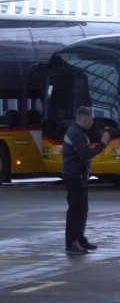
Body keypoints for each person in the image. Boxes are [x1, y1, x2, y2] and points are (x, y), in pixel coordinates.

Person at [62, 106, 111, 254]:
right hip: (75, 176)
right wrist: (102, 144)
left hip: (78, 175)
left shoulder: (76, 130)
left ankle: (80, 238)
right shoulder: (78, 134)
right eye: (91, 120)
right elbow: (85, 154)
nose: (92, 123)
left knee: (82, 209)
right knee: (76, 210)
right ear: (85, 120)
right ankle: (71, 243)